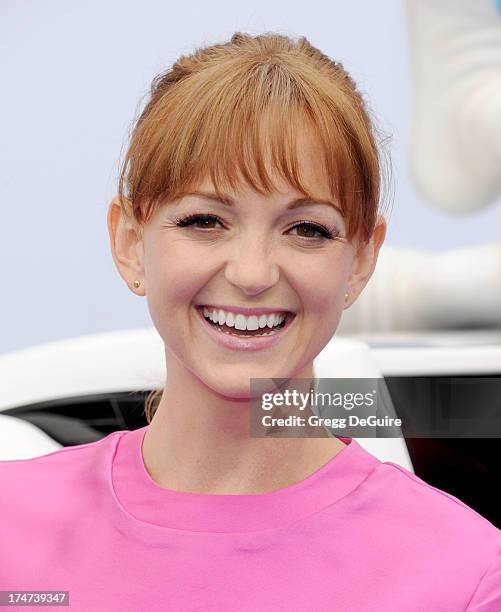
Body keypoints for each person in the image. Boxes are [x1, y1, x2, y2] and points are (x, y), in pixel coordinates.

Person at [0, 31, 500, 611]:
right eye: (205, 221)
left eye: (307, 229)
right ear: (130, 241)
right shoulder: (10, 528)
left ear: (361, 258)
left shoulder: (462, 573)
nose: (253, 272)